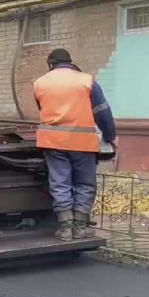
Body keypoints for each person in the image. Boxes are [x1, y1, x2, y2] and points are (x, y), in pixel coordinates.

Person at [34, 49, 116, 241]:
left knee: (59, 183)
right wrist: (110, 135)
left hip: (52, 142)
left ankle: (65, 229)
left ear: (50, 64)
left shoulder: (40, 83)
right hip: (82, 143)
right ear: (71, 62)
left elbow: (42, 109)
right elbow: (102, 112)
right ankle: (80, 228)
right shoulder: (86, 81)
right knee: (84, 184)